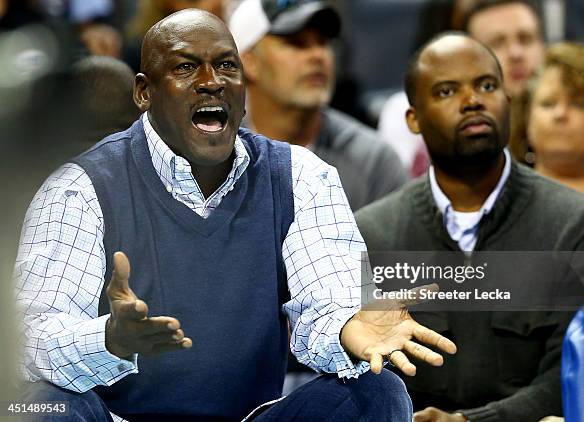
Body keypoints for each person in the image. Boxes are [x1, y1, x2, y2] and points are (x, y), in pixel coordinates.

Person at [14, 9, 457, 421]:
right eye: (186, 67)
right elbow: (30, 337)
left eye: (227, 66)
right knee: (40, 404)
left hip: (249, 417)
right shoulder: (80, 187)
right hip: (119, 417)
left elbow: (329, 291)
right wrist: (108, 340)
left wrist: (346, 323)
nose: (212, 82)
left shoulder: (300, 175)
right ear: (144, 92)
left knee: (377, 392)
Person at [356, 32, 584, 421]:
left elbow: (574, 378)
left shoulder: (581, 229)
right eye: (446, 91)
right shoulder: (370, 236)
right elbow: (361, 377)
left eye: (487, 86)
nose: (472, 101)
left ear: (509, 101)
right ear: (414, 118)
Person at [228, 0, 408, 211]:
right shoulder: (212, 157)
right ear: (249, 62)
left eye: (322, 42)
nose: (317, 56)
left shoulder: (373, 164)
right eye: (297, 43)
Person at [377, 0, 545, 174]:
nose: (516, 54)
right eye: (498, 42)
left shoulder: (568, 118)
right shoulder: (426, 123)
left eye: (526, 39)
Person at [527, 42, 584, 216]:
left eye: (578, 104)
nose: (560, 114)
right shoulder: (497, 196)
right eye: (548, 104)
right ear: (526, 119)